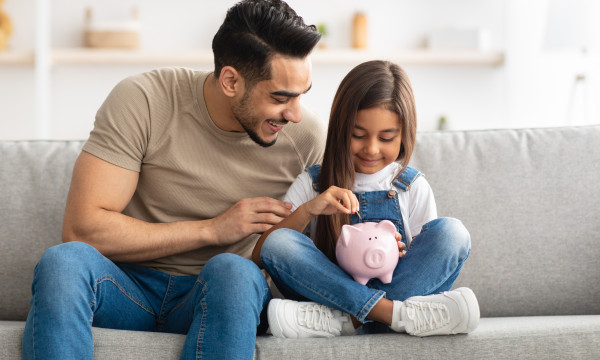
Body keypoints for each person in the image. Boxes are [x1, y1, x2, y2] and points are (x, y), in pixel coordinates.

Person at [22, 1, 324, 359]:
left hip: (218, 294)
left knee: (236, 271)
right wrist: (212, 229)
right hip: (125, 287)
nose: (294, 113)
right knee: (64, 262)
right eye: (280, 98)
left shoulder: (306, 139)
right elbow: (82, 229)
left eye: (301, 95)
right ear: (230, 81)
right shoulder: (144, 100)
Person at [252, 60, 480, 338]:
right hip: (327, 292)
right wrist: (310, 210)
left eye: (386, 138)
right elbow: (263, 253)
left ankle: (346, 321)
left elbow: (425, 265)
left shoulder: (412, 186)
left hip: (338, 305)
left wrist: (400, 252)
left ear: (404, 136)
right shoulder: (313, 183)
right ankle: (391, 315)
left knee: (452, 233)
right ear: (340, 130)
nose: (371, 149)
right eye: (358, 135)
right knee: (280, 241)